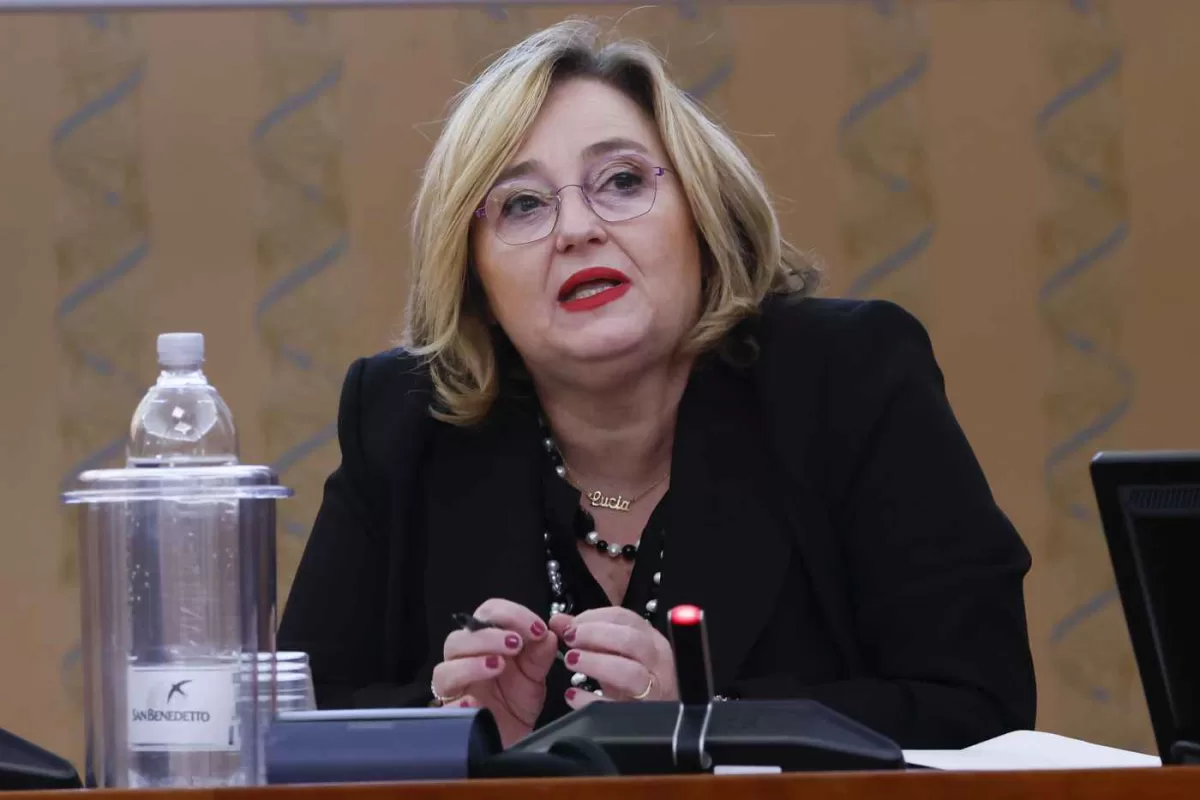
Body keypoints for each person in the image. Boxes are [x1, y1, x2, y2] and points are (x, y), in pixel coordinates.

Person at [277, 19, 1036, 751]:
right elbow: (296, 726)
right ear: (474, 275)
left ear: (702, 215)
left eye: (622, 181)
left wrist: (706, 722)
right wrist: (461, 734)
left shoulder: (847, 378)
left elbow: (980, 706)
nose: (577, 229)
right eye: (523, 204)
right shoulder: (405, 422)